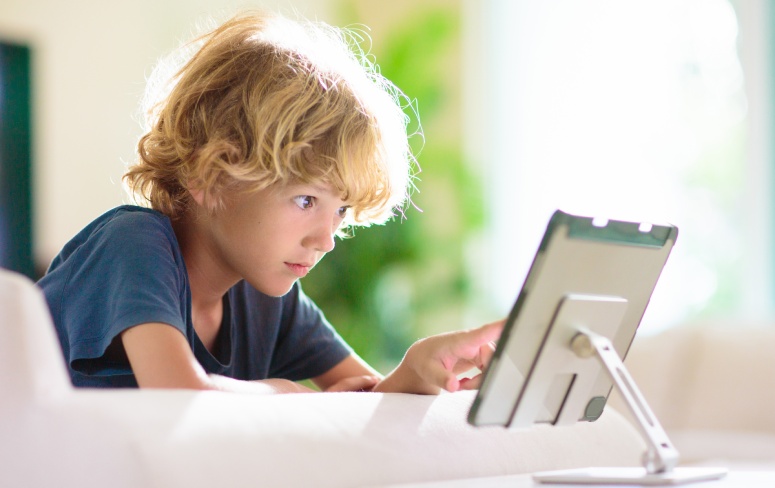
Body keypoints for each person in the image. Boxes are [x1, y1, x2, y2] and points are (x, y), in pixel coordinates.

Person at [37, 10, 502, 395]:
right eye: (306, 200)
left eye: (340, 210)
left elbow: (357, 403)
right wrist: (286, 392)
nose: (326, 240)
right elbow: (179, 397)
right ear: (209, 176)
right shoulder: (132, 245)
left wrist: (412, 373)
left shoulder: (265, 295)